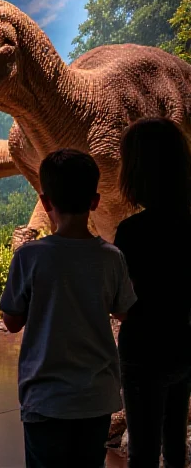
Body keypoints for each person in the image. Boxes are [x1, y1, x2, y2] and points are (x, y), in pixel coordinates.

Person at [0, 149, 137, 468]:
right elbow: (125, 311)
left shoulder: (29, 257)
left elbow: (11, 321)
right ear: (95, 201)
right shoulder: (111, 257)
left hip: (44, 398)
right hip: (96, 398)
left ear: (45, 202)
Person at [115, 117, 191, 468]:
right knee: (175, 446)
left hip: (143, 352)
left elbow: (124, 304)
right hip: (182, 346)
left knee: (142, 453)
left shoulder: (131, 232)